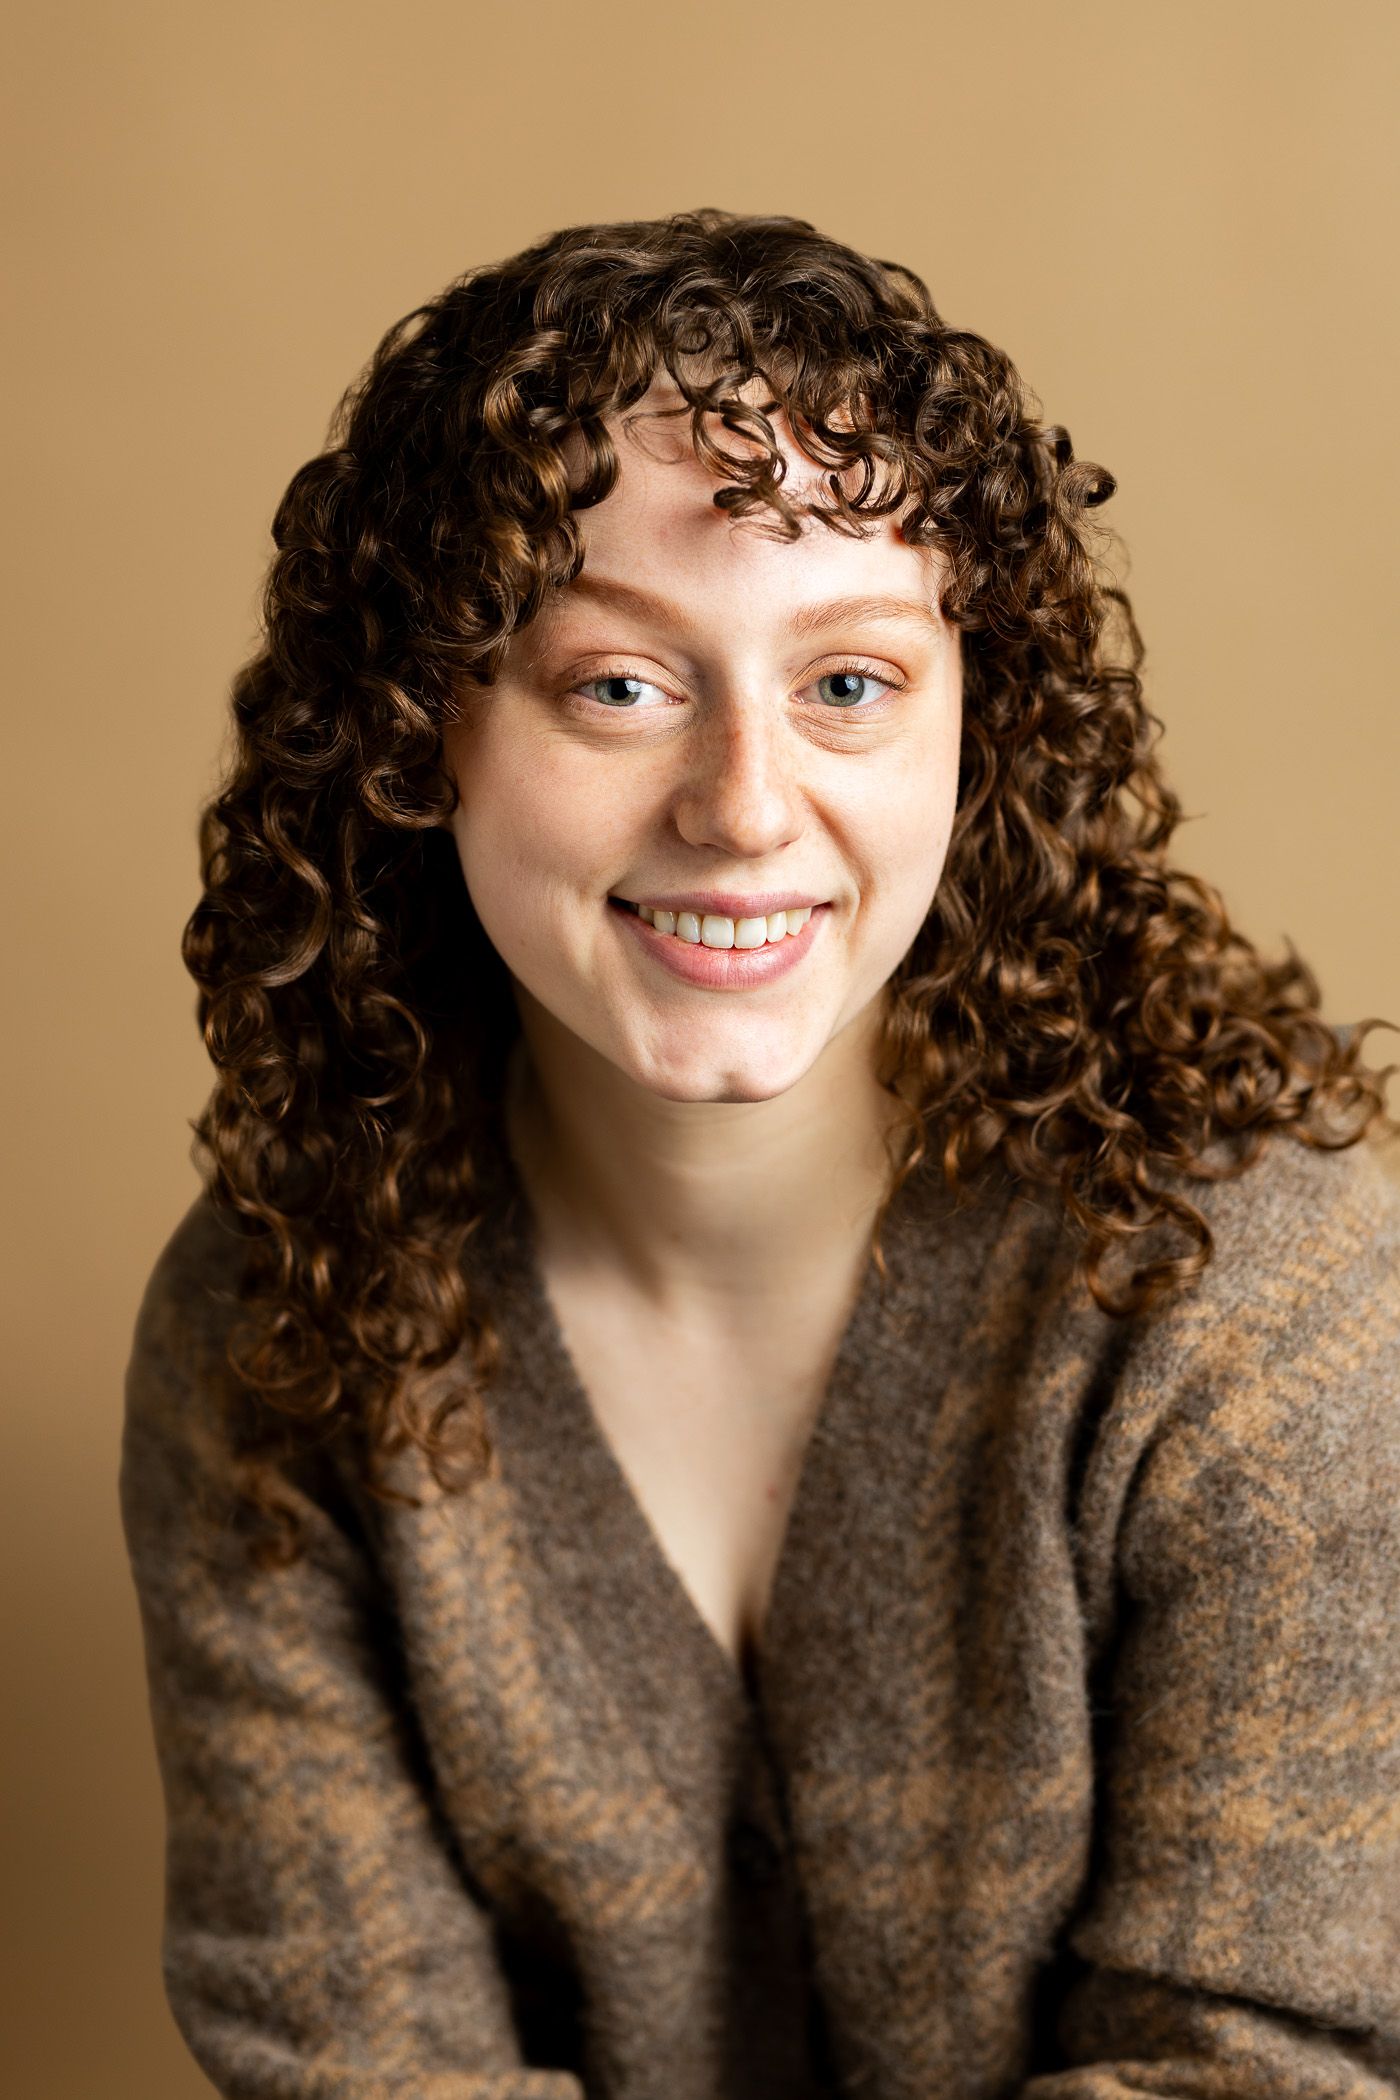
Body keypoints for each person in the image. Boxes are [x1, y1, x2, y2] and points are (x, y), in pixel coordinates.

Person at [119, 208, 1400, 2100]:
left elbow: (1264, 2068)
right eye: (619, 684)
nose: (741, 807)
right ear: (420, 734)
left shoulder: (1268, 1300)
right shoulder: (275, 1329)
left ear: (981, 728)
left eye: (850, 684)